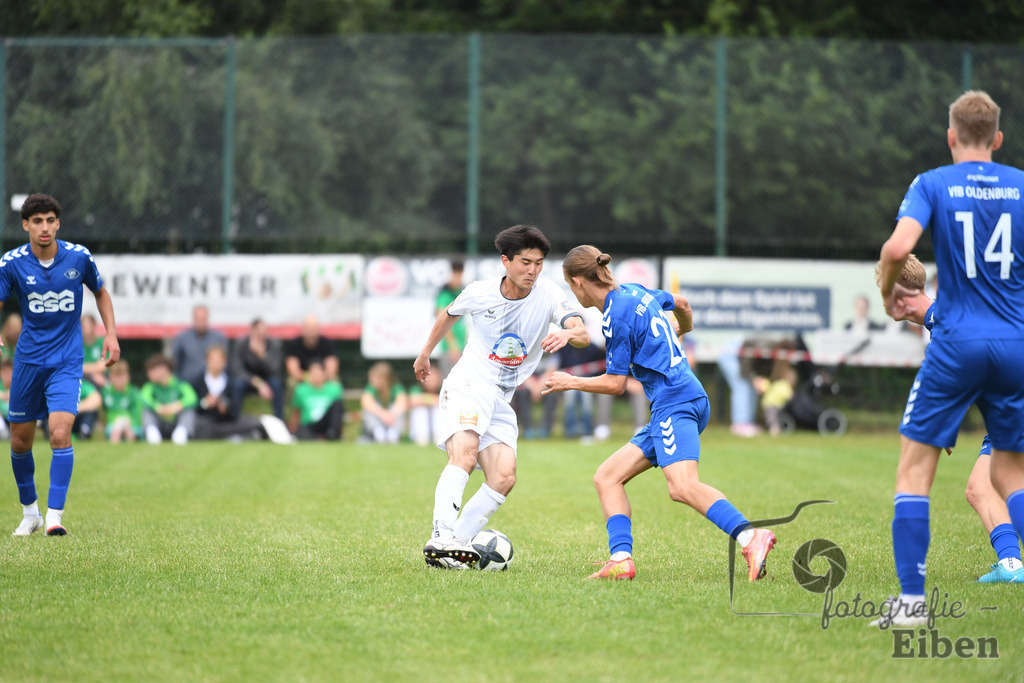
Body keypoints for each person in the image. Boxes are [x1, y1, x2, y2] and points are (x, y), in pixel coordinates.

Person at [876, 90, 1024, 626]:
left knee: (915, 470)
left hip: (957, 342)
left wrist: (888, 292)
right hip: (1015, 344)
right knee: (1011, 474)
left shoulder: (933, 183)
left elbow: (897, 250)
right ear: (998, 138)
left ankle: (912, 603)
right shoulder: (1021, 186)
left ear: (951, 136)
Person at [543, 245, 776, 581]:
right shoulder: (634, 291)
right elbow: (682, 304)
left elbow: (615, 384)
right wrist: (684, 330)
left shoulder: (615, 316)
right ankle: (621, 559)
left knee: (682, 486)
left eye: (569, 286)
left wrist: (571, 382)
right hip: (681, 397)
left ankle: (750, 536)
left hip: (675, 401)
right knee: (607, 477)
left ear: (577, 281)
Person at [414, 224, 589, 569]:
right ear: (505, 261)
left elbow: (581, 331)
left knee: (503, 477)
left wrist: (569, 335)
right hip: (468, 384)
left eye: (539, 263)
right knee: (464, 455)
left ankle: (453, 546)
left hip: (501, 398)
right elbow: (448, 315)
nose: (532, 270)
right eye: (525, 262)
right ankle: (441, 535)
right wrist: (424, 354)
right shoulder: (479, 292)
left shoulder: (549, 294)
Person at [884, 254, 1024, 583]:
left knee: (1004, 481)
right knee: (979, 488)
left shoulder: (945, 323)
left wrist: (943, 429)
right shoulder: (945, 316)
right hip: (1007, 409)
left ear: (897, 294)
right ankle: (1011, 565)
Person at [1, 193, 120, 536]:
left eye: (50, 220)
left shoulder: (78, 257)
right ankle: (30, 513)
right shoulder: (11, 263)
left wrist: (111, 335)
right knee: (20, 441)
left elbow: (100, 292)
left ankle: (54, 515)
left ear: (58, 224)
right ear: (25, 224)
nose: (45, 227)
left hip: (67, 360)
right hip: (28, 360)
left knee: (59, 431)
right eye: (37, 221)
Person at [231, 318, 285, 420]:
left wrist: (262, 355)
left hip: (268, 379)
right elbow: (237, 370)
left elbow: (275, 370)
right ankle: (234, 421)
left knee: (277, 384)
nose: (261, 335)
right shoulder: (241, 344)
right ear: (252, 331)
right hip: (249, 380)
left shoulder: (274, 344)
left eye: (264, 332)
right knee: (237, 384)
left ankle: (280, 421)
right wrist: (258, 383)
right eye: (259, 332)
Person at [140, 354, 197, 445]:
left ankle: (181, 434)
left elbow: (192, 398)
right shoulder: (150, 386)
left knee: (188, 411)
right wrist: (158, 407)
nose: (149, 373)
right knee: (147, 411)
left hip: (176, 421)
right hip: (159, 422)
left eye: (152, 370)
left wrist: (177, 406)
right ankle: (152, 435)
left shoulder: (179, 384)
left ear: (164, 369)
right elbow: (144, 398)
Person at [172, 304, 229, 394]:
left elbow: (225, 360)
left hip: (214, 383)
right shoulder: (182, 338)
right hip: (188, 382)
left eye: (203, 319)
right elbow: (176, 361)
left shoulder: (218, 337)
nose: (201, 323)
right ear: (193, 319)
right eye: (198, 319)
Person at [290, 359, 345, 440]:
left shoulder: (335, 389)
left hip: (326, 423)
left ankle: (332, 435)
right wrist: (292, 430)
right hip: (309, 424)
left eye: (318, 373)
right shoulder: (301, 390)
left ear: (324, 373)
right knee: (303, 434)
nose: (316, 376)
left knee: (337, 404)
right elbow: (296, 413)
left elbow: (337, 414)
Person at [360, 361, 409, 444]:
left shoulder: (396, 387)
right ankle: (378, 433)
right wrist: (383, 414)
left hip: (392, 420)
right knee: (368, 411)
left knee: (399, 409)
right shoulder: (371, 388)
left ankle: (393, 434)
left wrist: (391, 414)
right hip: (379, 421)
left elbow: (402, 403)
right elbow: (366, 402)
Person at [435, 259, 467, 379]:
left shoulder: (460, 291)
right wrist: (453, 346)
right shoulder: (444, 294)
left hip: (462, 346)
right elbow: (442, 321)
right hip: (450, 349)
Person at [285, 314, 338, 384]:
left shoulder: (327, 343)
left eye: (314, 328)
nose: (311, 331)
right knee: (291, 382)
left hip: (323, 378)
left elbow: (331, 368)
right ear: (303, 329)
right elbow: (293, 369)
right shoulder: (294, 344)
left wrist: (320, 377)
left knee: (334, 380)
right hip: (302, 378)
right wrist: (308, 377)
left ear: (319, 329)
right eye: (308, 328)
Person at [102, 360, 143, 443]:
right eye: (116, 376)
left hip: (132, 425)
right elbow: (102, 413)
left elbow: (138, 414)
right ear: (110, 377)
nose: (119, 379)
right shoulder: (105, 392)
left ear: (128, 377)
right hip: (112, 425)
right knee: (115, 426)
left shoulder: (134, 393)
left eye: (122, 376)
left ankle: (128, 436)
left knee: (128, 426)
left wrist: (128, 422)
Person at [408, 369, 441, 447]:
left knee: (438, 409)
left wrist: (425, 399)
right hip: (419, 430)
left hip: (437, 427)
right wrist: (432, 399)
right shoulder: (416, 388)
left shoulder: (443, 389)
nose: (432, 381)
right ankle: (421, 439)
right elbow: (414, 400)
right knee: (420, 410)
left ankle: (439, 438)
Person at [81, 313, 108, 388]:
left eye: (89, 326)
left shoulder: (102, 342)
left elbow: (103, 366)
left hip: (101, 376)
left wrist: (84, 368)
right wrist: (93, 374)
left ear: (94, 325)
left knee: (106, 383)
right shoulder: (77, 344)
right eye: (84, 326)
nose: (86, 329)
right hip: (83, 379)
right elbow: (75, 367)